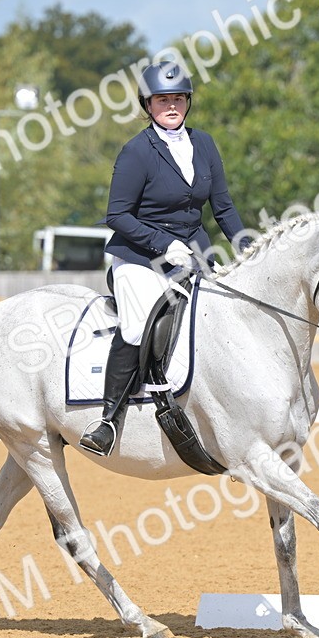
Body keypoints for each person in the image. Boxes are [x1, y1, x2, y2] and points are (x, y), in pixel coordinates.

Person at [79, 61, 252, 456]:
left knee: (226, 315)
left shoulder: (204, 143)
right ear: (148, 104)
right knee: (139, 325)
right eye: (163, 100)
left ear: (187, 102)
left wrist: (247, 251)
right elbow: (117, 216)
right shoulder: (137, 152)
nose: (171, 105)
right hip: (140, 257)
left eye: (178, 99)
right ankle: (109, 418)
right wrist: (163, 244)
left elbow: (223, 207)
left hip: (195, 254)